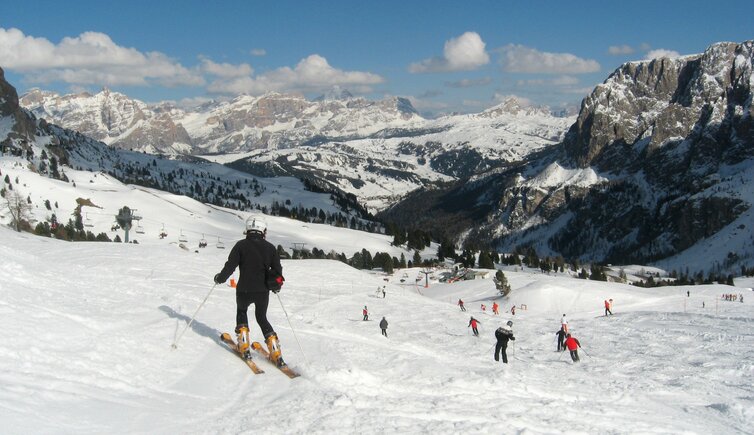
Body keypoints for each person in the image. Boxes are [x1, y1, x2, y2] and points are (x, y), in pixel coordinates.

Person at [214, 215, 285, 365]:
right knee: (262, 317)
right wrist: (276, 285)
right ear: (262, 230)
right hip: (262, 291)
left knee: (242, 311)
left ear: (248, 229)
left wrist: (220, 278)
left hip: (244, 289)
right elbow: (278, 271)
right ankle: (275, 351)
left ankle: (244, 345)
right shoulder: (270, 248)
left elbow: (230, 266)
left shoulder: (240, 246)